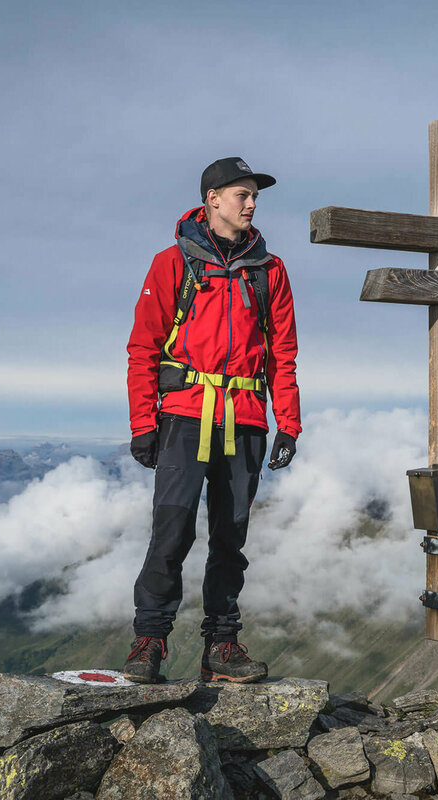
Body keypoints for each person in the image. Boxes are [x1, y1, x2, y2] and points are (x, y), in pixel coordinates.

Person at [124, 157, 301, 684]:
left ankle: (221, 649)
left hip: (246, 421)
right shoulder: (172, 263)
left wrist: (288, 422)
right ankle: (149, 642)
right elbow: (143, 349)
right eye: (241, 194)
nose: (251, 204)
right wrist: (142, 423)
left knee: (231, 537)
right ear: (212, 199)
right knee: (172, 531)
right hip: (184, 418)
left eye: (255, 197)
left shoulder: (270, 271)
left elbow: (283, 353)